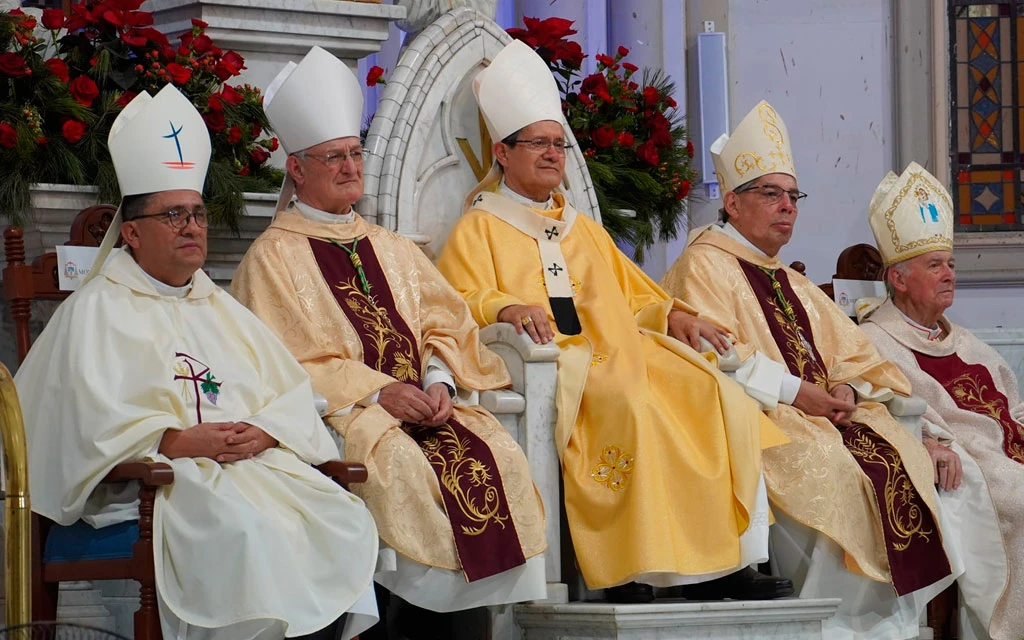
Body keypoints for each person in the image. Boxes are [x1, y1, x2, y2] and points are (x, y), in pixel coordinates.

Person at [14, 84, 379, 640]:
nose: (192, 227)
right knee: (245, 528)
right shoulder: (96, 310)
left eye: (198, 214)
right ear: (131, 233)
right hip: (151, 487)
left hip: (246, 472)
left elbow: (290, 393)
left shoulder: (217, 304)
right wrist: (173, 442)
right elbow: (74, 424)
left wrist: (264, 431)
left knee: (340, 517)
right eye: (174, 215)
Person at [436, 39, 792, 603]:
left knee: (716, 392)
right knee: (630, 399)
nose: (555, 154)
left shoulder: (583, 228)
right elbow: (454, 299)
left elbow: (633, 298)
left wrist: (674, 315)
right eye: (539, 144)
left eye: (559, 143)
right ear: (502, 153)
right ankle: (635, 566)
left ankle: (726, 565)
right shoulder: (478, 228)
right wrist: (505, 306)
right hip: (564, 358)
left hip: (622, 346)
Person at [231, 47, 547, 636]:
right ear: (296, 169)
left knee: (497, 450)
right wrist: (381, 395)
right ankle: (402, 624)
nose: (352, 167)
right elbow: (283, 364)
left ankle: (465, 625)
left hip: (426, 404)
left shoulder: (392, 245)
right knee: (400, 464)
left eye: (355, 153)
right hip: (349, 417)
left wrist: (439, 381)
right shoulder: (271, 258)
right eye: (334, 157)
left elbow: (442, 323)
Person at [661, 101, 963, 638]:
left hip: (826, 414)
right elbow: (706, 357)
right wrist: (800, 393)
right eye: (770, 194)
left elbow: (856, 353)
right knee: (834, 468)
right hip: (761, 418)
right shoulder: (703, 264)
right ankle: (832, 628)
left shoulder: (793, 281)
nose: (787, 208)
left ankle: (882, 629)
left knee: (900, 457)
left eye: (793, 196)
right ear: (731, 202)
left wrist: (846, 385)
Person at [858, 162, 1023, 640]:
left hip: (1004, 452)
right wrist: (927, 443)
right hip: (970, 466)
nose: (949, 274)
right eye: (935, 265)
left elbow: (1013, 406)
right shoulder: (874, 343)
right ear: (900, 279)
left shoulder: (969, 343)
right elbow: (879, 408)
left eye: (950, 263)